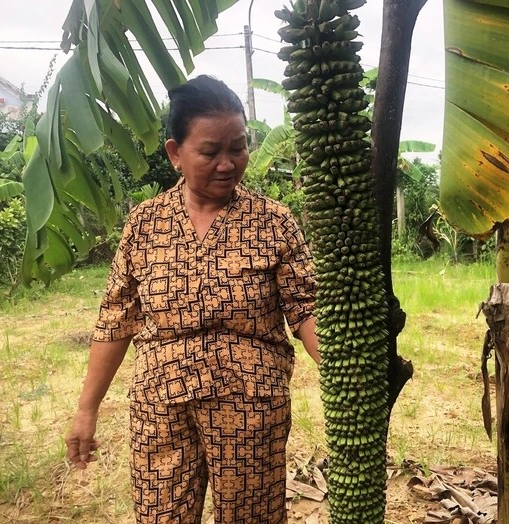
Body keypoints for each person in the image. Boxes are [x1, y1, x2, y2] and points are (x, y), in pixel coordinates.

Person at [65, 75, 319, 524]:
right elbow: (115, 321)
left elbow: (305, 310)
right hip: (159, 408)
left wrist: (349, 375)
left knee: (251, 517)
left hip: (251, 409)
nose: (227, 163)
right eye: (210, 152)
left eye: (238, 148)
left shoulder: (273, 222)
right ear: (174, 153)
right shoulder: (145, 223)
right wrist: (87, 410)